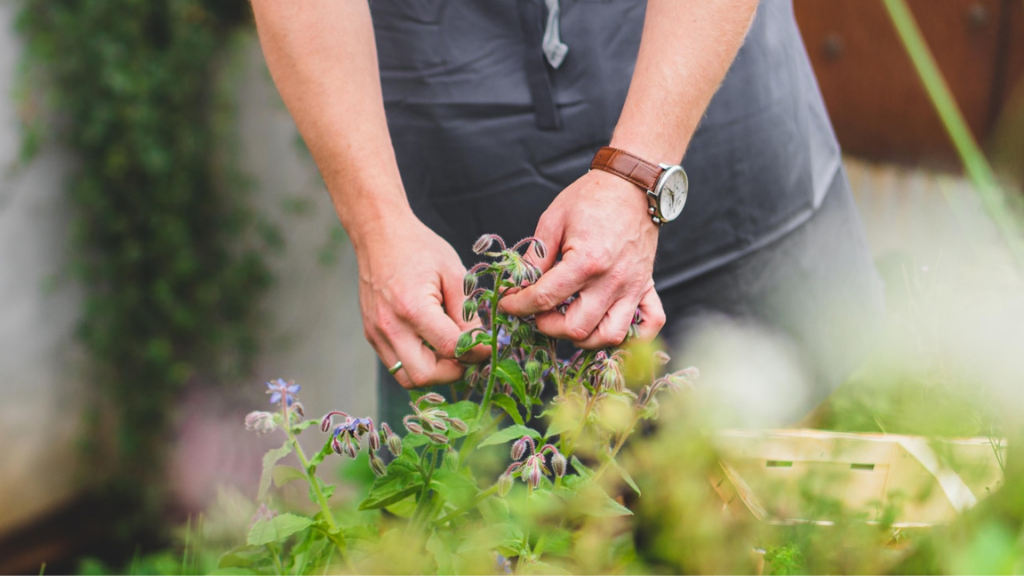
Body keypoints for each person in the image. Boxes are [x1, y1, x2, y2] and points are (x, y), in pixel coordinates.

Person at [250, 0, 884, 427]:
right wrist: (378, 223)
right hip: (456, 226)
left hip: (722, 158)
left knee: (797, 524)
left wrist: (641, 171)